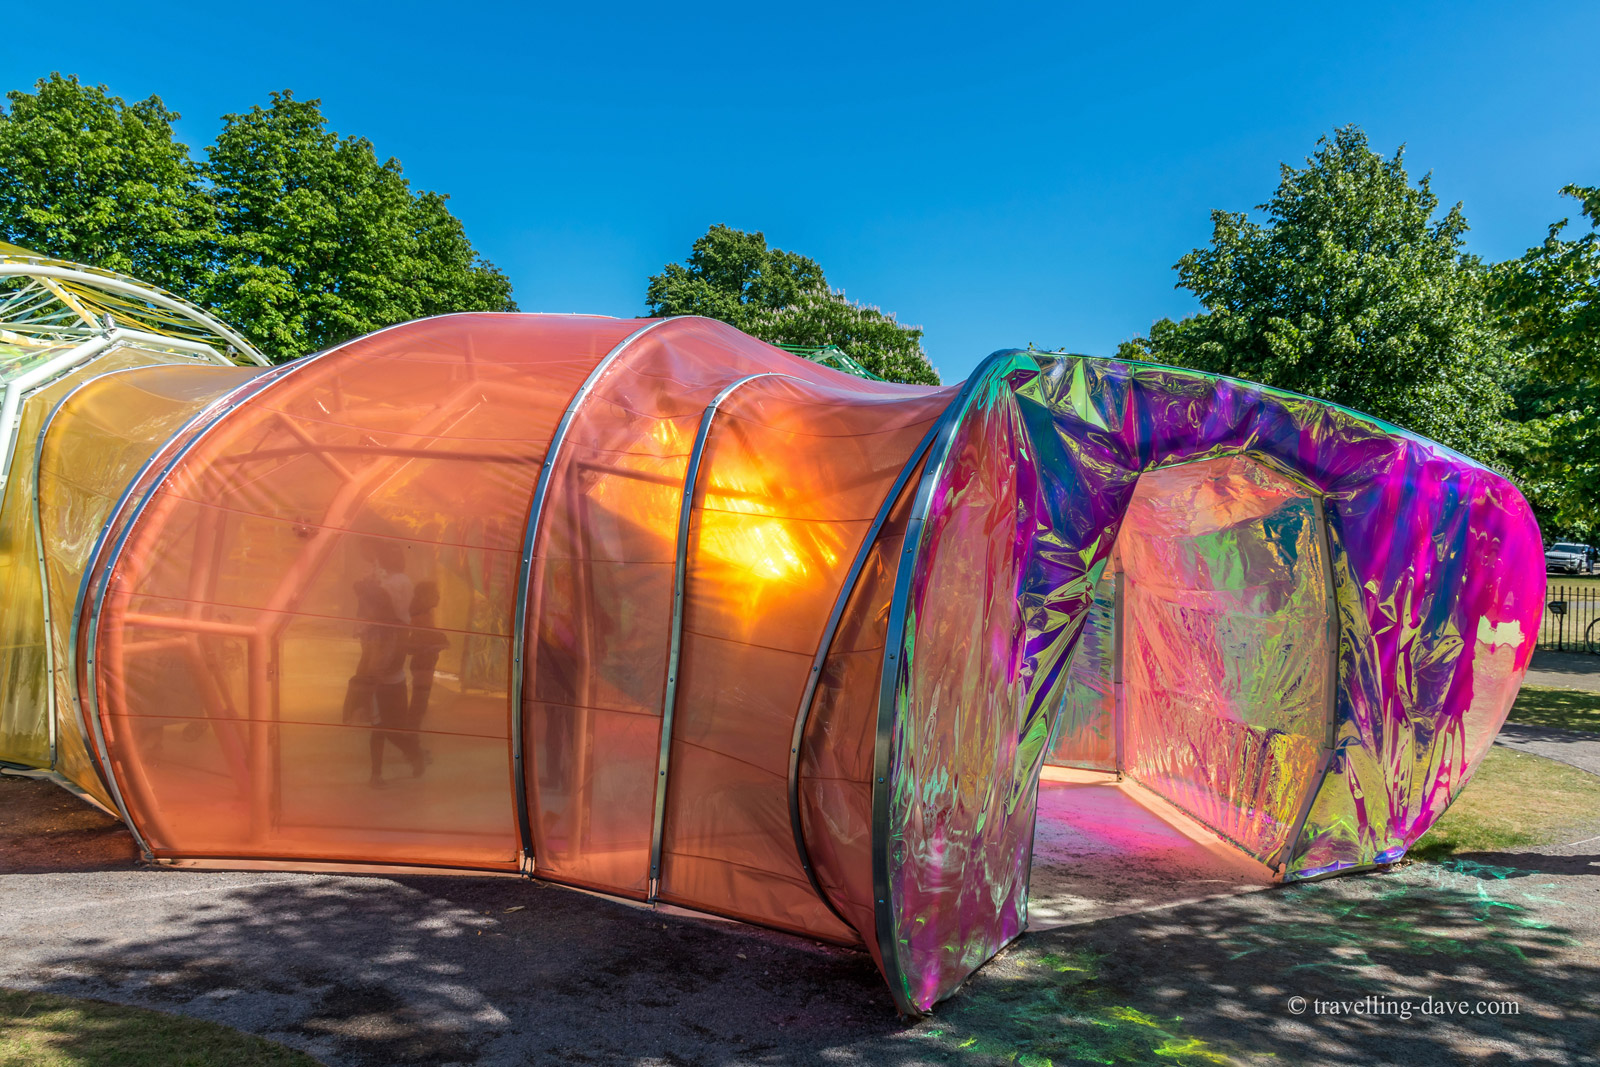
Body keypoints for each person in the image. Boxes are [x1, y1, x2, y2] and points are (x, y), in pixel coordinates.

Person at [355, 543, 423, 786]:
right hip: (386, 676)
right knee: (382, 727)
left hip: (385, 677)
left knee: (385, 726)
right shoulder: (389, 624)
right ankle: (380, 771)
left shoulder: (389, 625)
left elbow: (385, 657)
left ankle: (411, 755)